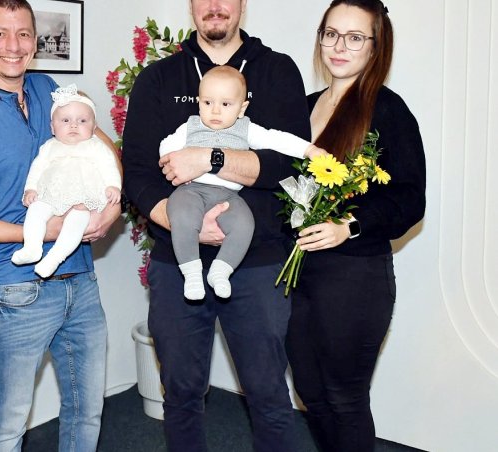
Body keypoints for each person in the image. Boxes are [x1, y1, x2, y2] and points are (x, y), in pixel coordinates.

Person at [0, 1, 119, 450]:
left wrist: (112, 208)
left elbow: (103, 145)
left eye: (23, 34)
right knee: (8, 427)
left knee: (87, 412)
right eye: (0, 33)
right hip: (17, 292)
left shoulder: (48, 89)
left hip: (81, 281)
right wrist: (39, 233)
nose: (13, 46)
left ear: (35, 42)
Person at [122, 0, 310, 450]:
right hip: (177, 260)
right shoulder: (158, 79)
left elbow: (292, 165)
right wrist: (180, 222)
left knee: (268, 392)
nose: (215, 5)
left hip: (258, 261)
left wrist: (212, 158)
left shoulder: (278, 71)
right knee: (181, 393)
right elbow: (138, 172)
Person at [285, 2, 426, 451]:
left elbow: (410, 199)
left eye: (354, 37)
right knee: (310, 393)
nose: (339, 46)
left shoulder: (388, 110)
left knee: (344, 399)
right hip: (298, 274)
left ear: (375, 47)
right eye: (331, 34)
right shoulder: (302, 108)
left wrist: (350, 225)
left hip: (355, 276)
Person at [161, 65, 326, 300]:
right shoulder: (190, 126)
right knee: (182, 217)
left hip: (228, 196)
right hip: (191, 191)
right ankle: (192, 274)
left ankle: (221, 271)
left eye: (225, 104)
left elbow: (276, 139)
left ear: (242, 108)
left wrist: (309, 150)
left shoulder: (246, 129)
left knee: (244, 224)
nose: (215, 110)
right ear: (198, 103)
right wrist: (170, 160)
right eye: (207, 102)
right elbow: (166, 145)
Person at [12, 84, 122, 278]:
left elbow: (109, 166)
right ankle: (32, 247)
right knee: (35, 211)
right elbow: (37, 168)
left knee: (76, 224)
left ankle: (54, 258)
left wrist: (114, 186)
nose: (73, 125)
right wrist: (30, 189)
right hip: (52, 194)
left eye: (82, 120)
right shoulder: (49, 147)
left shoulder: (95, 147)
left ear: (94, 127)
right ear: (52, 127)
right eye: (65, 120)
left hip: (83, 200)